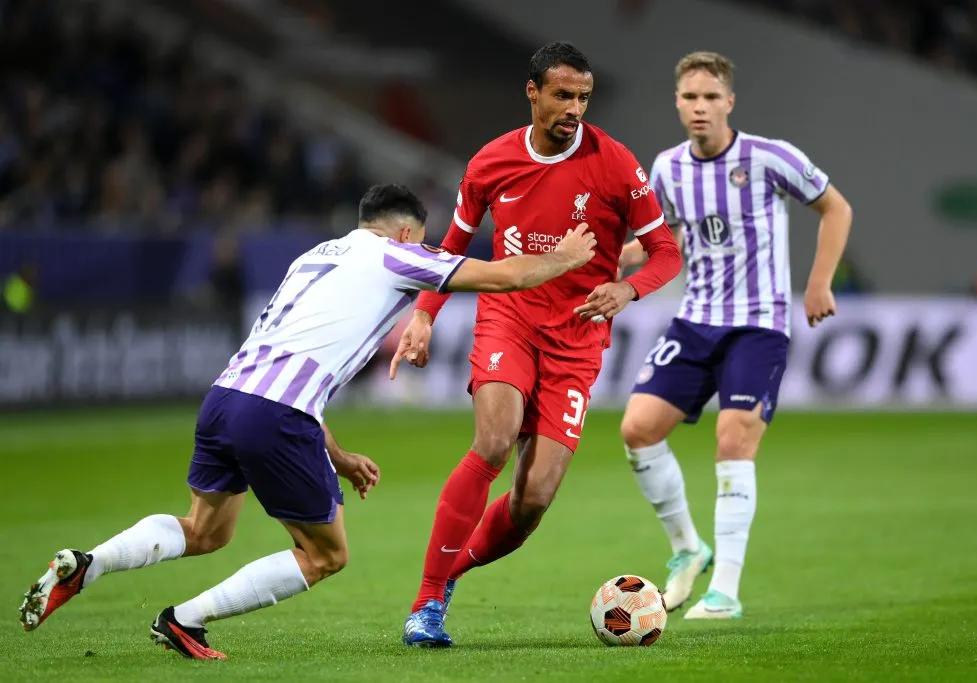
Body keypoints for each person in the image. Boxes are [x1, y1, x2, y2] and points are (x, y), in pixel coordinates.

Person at [17, 183, 598, 659]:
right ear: (405, 233)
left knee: (205, 529)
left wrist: (339, 456)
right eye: (421, 243)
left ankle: (90, 564)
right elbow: (505, 277)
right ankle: (184, 620)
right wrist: (567, 258)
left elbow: (293, 362)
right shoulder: (397, 254)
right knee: (325, 555)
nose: (424, 256)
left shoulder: (312, 256)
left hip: (225, 399)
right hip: (277, 414)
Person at [390, 41, 683, 647]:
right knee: (494, 441)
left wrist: (627, 292)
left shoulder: (616, 164)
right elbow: (452, 250)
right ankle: (426, 604)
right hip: (510, 319)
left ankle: (449, 576)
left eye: (583, 97)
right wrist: (423, 316)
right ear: (533, 92)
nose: (575, 108)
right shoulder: (491, 163)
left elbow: (666, 253)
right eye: (562, 95)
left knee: (532, 501)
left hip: (578, 338)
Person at [617, 51, 854, 619]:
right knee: (637, 429)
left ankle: (724, 589)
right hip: (695, 321)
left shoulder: (770, 158)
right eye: (689, 98)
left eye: (710, 97)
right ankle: (687, 548)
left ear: (729, 102)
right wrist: (606, 261)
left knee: (733, 439)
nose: (700, 107)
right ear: (677, 103)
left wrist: (818, 283)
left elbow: (836, 208)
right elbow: (660, 238)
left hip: (758, 323)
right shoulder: (668, 168)